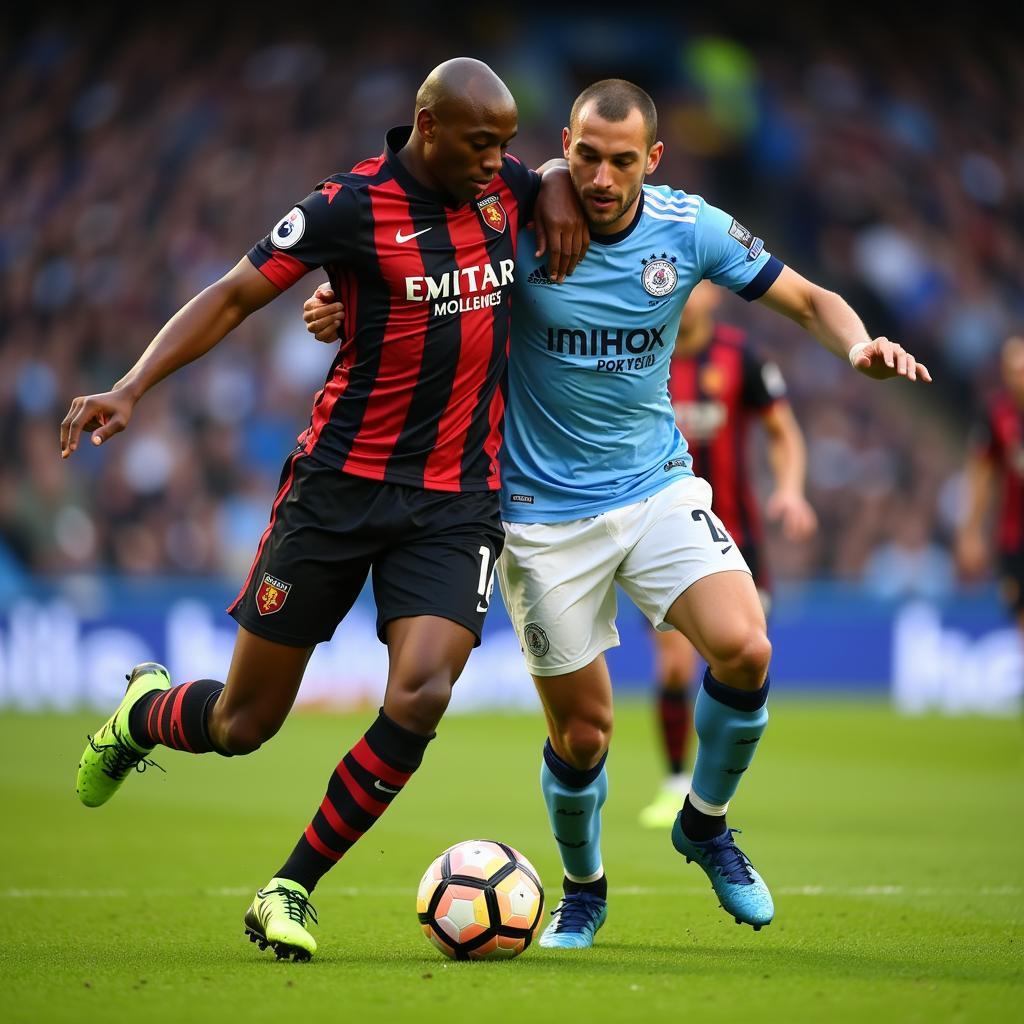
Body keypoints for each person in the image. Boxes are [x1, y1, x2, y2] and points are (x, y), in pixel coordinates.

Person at [303, 78, 931, 950]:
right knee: (586, 735)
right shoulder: (516, 222)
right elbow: (419, 273)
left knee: (747, 649)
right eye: (586, 157)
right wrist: (346, 303)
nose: (600, 178)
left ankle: (705, 824)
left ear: (654, 160)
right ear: (567, 144)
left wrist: (859, 343)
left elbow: (811, 298)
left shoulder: (691, 227)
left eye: (622, 161)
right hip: (537, 515)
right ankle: (584, 890)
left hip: (655, 489)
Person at [62, 57, 589, 963]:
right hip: (336, 491)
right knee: (243, 724)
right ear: (427, 127)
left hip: (456, 499)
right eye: (481, 143)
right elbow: (233, 293)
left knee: (421, 693)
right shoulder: (347, 207)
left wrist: (555, 187)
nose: (499, 160)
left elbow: (545, 173)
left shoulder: (504, 186)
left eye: (507, 145)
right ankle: (145, 711)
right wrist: (132, 385)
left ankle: (288, 887)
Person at [637, 280, 817, 829]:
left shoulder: (742, 356)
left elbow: (782, 431)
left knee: (741, 657)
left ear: (713, 295)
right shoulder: (643, 349)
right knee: (672, 662)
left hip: (737, 537)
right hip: (663, 535)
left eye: (696, 289)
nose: (685, 299)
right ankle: (674, 783)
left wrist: (790, 489)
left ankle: (712, 788)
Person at [956, 335, 1024, 635]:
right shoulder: (996, 414)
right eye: (1011, 369)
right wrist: (971, 532)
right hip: (1014, 535)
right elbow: (981, 474)